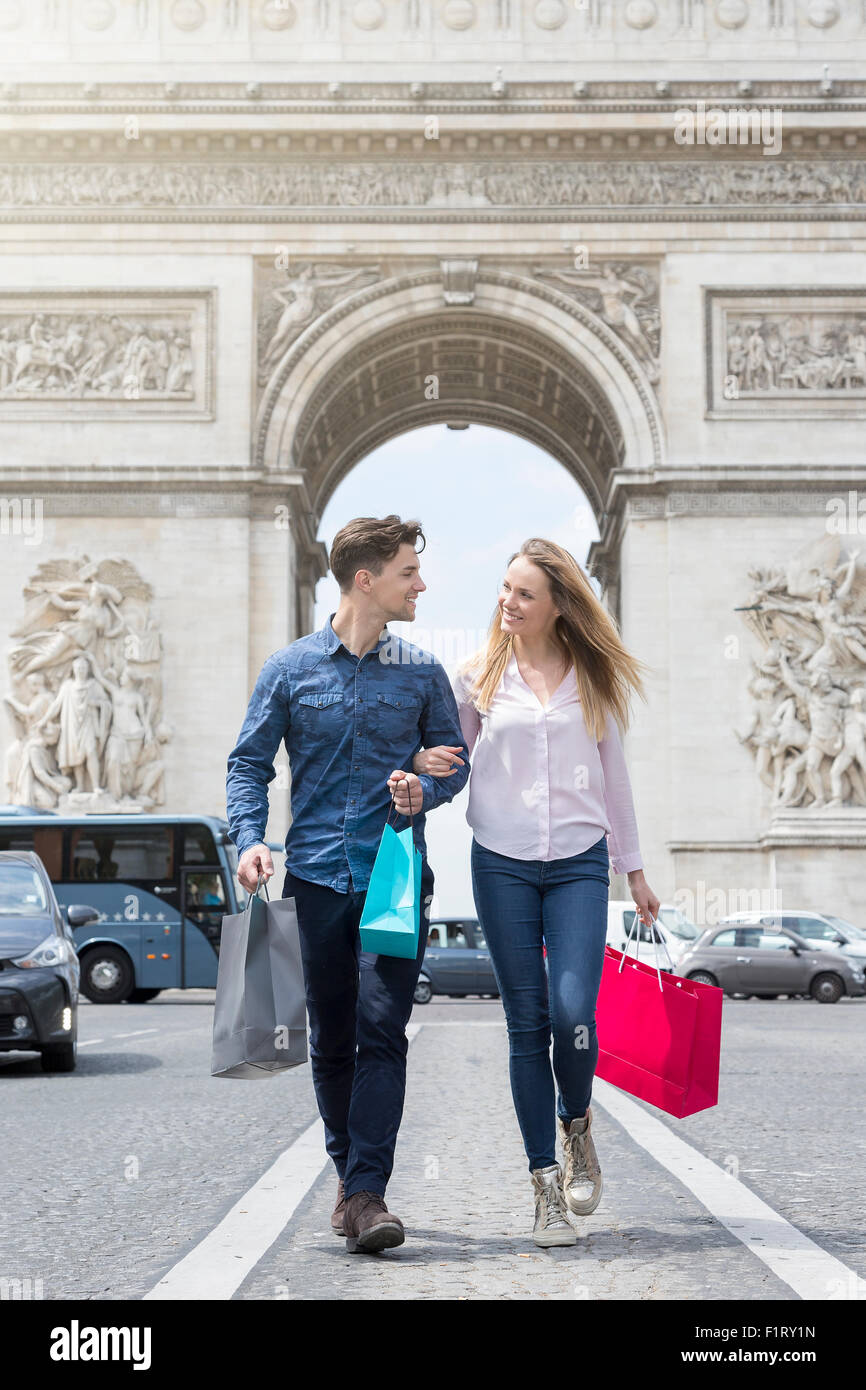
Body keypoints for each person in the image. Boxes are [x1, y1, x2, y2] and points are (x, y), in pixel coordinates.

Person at [225, 515, 470, 1254]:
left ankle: (367, 1194)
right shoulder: (289, 670)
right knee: (331, 1041)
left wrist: (420, 794)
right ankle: (349, 1174)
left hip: (394, 877)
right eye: (408, 573)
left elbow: (457, 763)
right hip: (316, 881)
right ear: (366, 580)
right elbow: (248, 765)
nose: (420, 584)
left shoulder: (423, 672)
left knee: (381, 1030)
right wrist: (248, 840)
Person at [413, 538, 660, 1248]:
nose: (507, 602)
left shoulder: (594, 677)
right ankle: (545, 1186)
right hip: (503, 864)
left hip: (582, 862)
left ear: (558, 605)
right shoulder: (475, 679)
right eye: (505, 588)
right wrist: (423, 769)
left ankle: (577, 1120)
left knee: (574, 1013)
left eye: (524, 593)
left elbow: (616, 777)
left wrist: (634, 868)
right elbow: (450, 767)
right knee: (525, 1025)